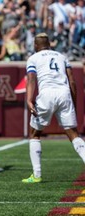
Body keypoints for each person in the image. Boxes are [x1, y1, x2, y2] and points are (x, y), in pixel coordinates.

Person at [22, 33, 85, 183]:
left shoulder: (33, 58)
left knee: (35, 134)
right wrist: (73, 102)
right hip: (64, 94)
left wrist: (29, 100)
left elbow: (31, 79)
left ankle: (36, 175)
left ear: (36, 46)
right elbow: (72, 82)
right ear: (49, 44)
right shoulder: (62, 56)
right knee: (74, 134)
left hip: (46, 94)